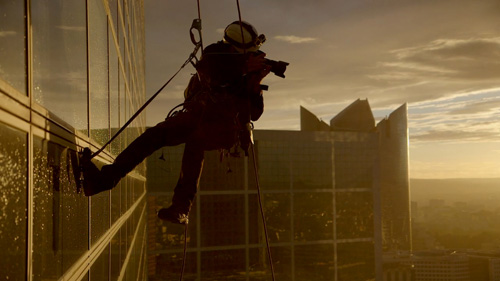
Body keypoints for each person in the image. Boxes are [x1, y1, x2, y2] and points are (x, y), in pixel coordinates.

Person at [81, 21, 272, 225]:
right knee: (155, 136)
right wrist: (243, 67)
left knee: (196, 142)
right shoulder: (216, 54)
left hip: (223, 127)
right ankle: (104, 180)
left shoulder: (249, 72)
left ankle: (181, 208)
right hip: (199, 116)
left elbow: (254, 113)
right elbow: (209, 68)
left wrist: (255, 84)